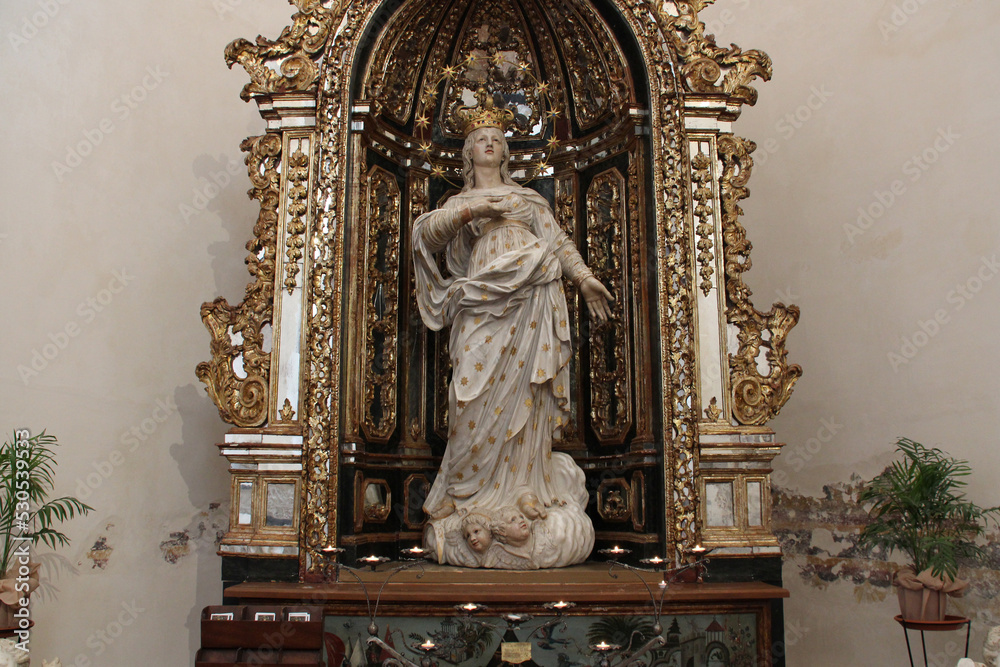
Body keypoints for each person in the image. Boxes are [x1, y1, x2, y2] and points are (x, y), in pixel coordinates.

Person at [412, 106, 612, 569]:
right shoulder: (459, 202)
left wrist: (583, 278)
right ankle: (466, 496)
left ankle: (523, 490)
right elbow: (428, 237)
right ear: (468, 152)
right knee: (469, 395)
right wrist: (477, 209)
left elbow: (557, 241)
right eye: (481, 138)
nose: (490, 143)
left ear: (506, 152)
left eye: (497, 139)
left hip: (534, 295)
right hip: (481, 299)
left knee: (527, 393)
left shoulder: (528, 199)